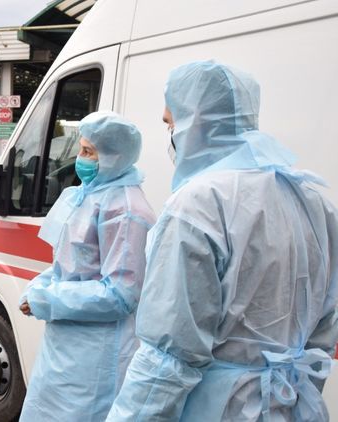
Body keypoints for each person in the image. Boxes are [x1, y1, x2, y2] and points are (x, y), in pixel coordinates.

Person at [107, 61, 338, 421]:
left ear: (196, 121)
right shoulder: (313, 200)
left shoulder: (197, 205)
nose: (170, 135)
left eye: (171, 123)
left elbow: (168, 357)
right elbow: (322, 334)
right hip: (292, 406)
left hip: (217, 409)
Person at [18, 111, 156, 421]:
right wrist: (38, 287)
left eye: (88, 151)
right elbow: (68, 265)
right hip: (63, 349)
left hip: (94, 358)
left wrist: (48, 299)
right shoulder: (85, 196)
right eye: (80, 149)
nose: (80, 159)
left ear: (114, 155)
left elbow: (120, 295)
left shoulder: (126, 210)